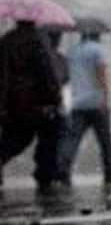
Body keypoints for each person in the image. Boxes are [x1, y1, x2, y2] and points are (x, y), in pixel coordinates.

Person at [0, 20, 64, 192]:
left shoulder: (6, 40)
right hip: (36, 101)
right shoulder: (38, 40)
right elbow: (47, 72)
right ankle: (45, 175)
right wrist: (56, 98)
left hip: (11, 101)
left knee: (16, 138)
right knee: (50, 135)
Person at [58, 29, 111, 186]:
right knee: (105, 141)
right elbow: (101, 74)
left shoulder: (73, 51)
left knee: (73, 139)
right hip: (96, 102)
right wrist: (105, 98)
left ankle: (63, 168)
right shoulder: (98, 50)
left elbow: (66, 76)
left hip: (78, 102)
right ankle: (109, 173)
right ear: (97, 35)